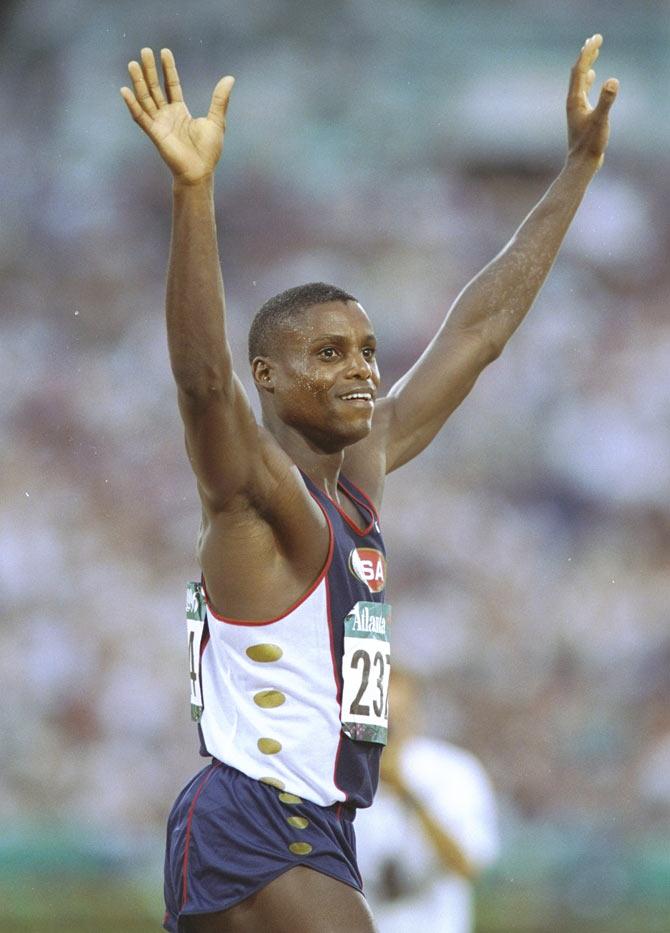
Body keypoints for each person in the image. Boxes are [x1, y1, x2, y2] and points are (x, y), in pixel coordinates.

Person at [119, 35, 618, 933]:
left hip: (319, 821)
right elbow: (201, 384)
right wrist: (194, 194)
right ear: (267, 377)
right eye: (328, 353)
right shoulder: (258, 502)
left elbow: (480, 333)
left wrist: (576, 170)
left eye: (367, 352)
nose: (361, 370)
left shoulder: (360, 478)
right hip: (256, 815)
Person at [354, 669, 499, 933]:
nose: (390, 730)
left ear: (416, 713)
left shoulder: (453, 770)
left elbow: (467, 863)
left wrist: (406, 793)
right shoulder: (344, 778)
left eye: (398, 717)